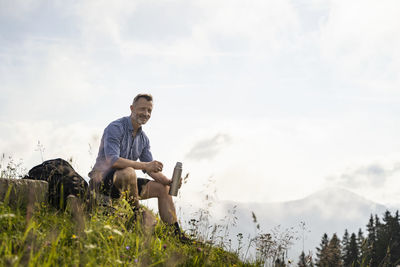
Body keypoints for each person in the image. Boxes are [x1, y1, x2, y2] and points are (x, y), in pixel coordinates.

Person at [89, 94, 186, 240]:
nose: (146, 114)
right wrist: (145, 165)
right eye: (142, 109)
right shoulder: (115, 127)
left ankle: (176, 235)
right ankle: (136, 214)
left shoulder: (143, 139)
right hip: (102, 181)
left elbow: (150, 170)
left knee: (163, 189)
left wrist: (168, 181)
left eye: (149, 111)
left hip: (126, 184)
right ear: (132, 108)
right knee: (128, 171)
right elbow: (113, 160)